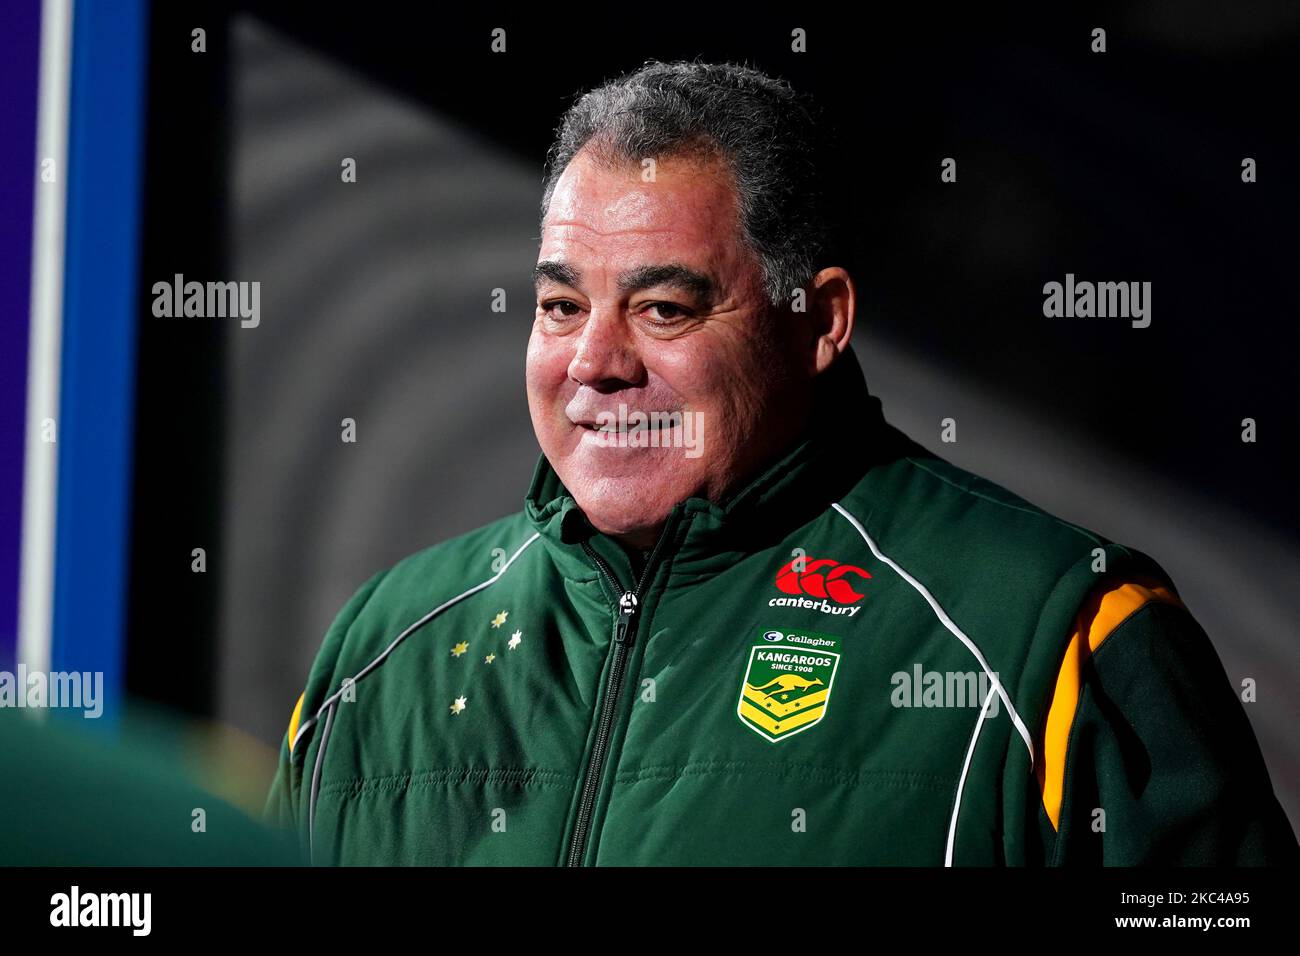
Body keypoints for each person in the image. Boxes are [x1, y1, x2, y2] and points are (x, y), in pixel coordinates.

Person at [264, 60, 1297, 866]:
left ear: (821, 321)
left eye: (663, 308)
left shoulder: (1058, 634)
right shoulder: (380, 653)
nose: (594, 362)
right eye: (560, 305)